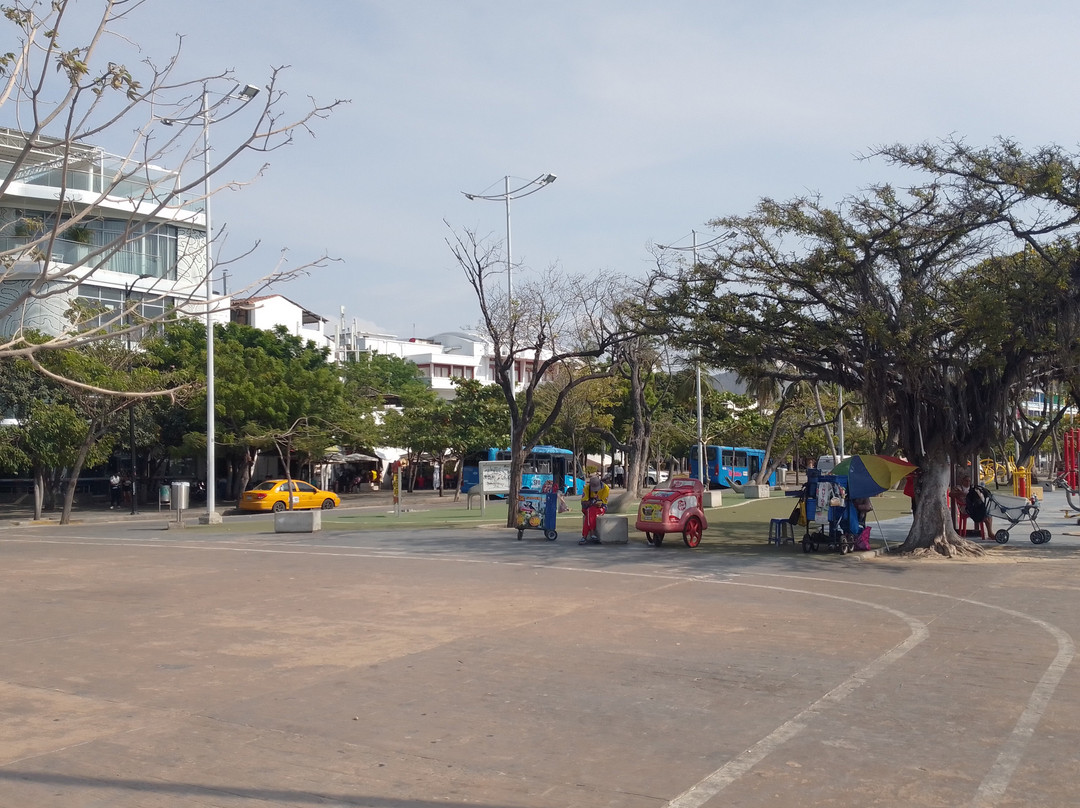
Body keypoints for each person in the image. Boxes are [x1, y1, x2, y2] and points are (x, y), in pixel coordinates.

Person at [579, 473, 610, 544]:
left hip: (601, 508)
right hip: (588, 508)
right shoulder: (587, 488)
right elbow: (584, 501)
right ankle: (592, 534)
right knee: (590, 510)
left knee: (590, 511)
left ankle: (585, 536)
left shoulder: (605, 488)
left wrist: (598, 503)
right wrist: (591, 503)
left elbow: (604, 502)